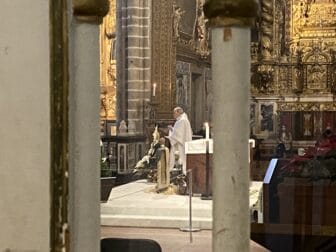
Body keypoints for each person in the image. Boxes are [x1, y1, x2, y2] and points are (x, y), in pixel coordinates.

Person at [166, 107, 193, 174]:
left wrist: (171, 130)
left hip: (181, 144)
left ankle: (181, 173)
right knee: (178, 158)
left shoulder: (182, 120)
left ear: (178, 113)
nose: (173, 114)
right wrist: (172, 129)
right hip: (179, 142)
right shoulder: (180, 120)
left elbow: (178, 134)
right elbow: (178, 132)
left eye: (174, 113)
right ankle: (174, 171)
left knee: (182, 159)